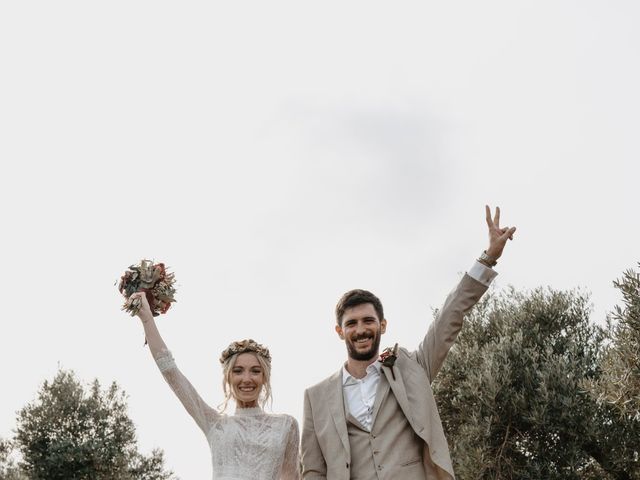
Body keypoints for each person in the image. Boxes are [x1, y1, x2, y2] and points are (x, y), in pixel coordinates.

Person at [300, 206, 516, 480]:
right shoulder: (315, 397)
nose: (361, 329)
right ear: (339, 332)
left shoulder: (411, 368)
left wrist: (488, 258)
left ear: (382, 325)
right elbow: (313, 471)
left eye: (368, 321)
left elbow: (449, 319)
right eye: (351, 324)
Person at [129, 292, 300, 480]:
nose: (246, 378)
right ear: (227, 378)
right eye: (238, 371)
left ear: (265, 378)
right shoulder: (216, 424)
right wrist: (146, 320)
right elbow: (171, 372)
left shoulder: (286, 425)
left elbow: (291, 476)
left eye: (255, 371)